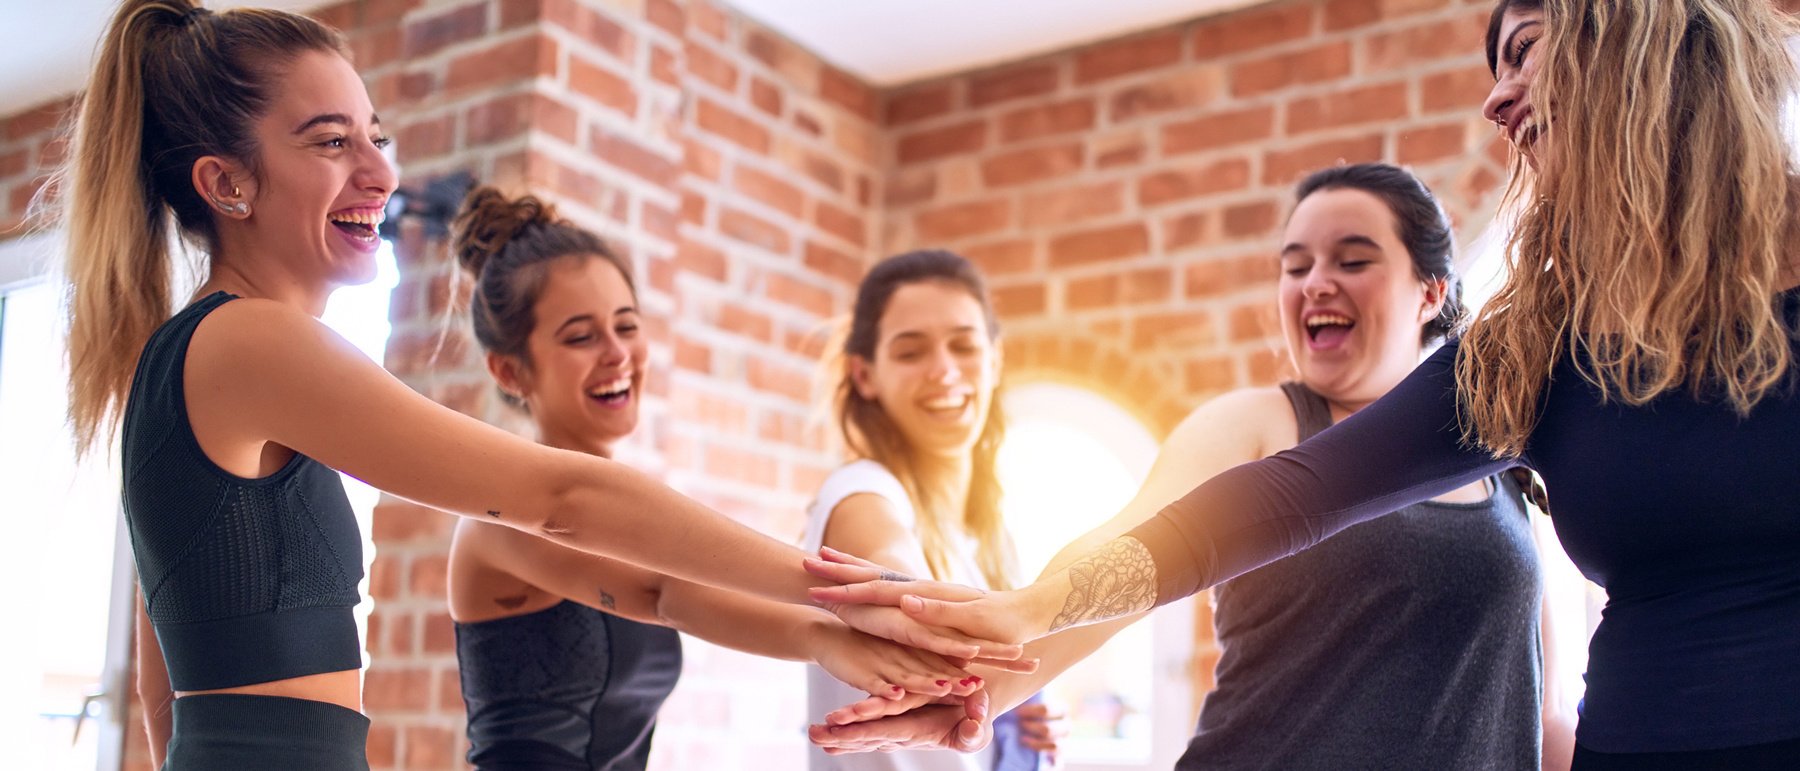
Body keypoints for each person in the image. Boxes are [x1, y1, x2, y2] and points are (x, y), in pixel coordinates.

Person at [808, 1, 1800, 768]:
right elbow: (1285, 496)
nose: (1494, 103)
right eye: (1293, 262)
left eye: (1524, 50)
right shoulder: (1541, 347)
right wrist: (1023, 622)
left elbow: (1529, 700)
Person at [61, 3, 1014, 766]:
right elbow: (562, 496)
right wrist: (857, 594)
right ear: (228, 183)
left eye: (376, 135)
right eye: (330, 141)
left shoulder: (196, 356)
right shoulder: (251, 342)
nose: (381, 169)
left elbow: (162, 693)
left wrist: (825, 632)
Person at [445, 188, 982, 770]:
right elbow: (668, 593)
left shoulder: (626, 510)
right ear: (508, 368)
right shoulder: (499, 521)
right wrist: (828, 638)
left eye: (627, 327)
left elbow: (682, 590)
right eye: (581, 336)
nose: (617, 354)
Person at [803, 250, 1063, 770]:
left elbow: (985, 694)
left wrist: (1020, 714)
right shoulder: (861, 494)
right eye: (910, 352)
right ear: (865, 375)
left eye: (964, 346)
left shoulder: (994, 538)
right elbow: (904, 588)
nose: (944, 372)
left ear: (995, 360)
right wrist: (1027, 670)